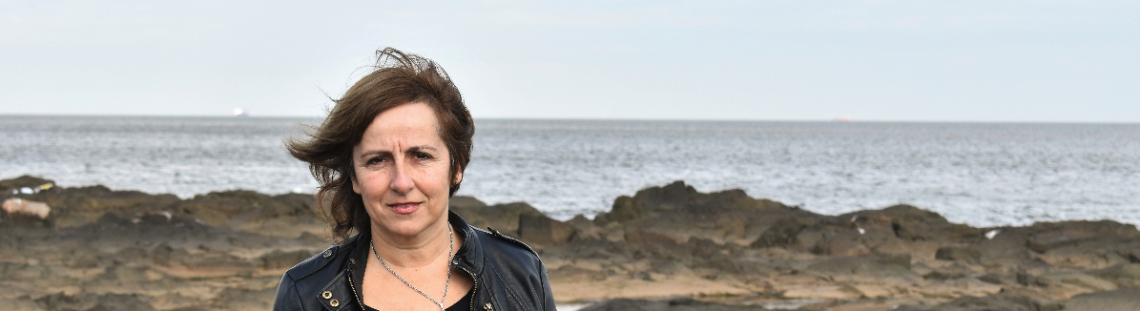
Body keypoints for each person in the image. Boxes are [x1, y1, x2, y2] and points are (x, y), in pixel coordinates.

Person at [274, 48, 556, 311]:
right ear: (354, 177)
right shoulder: (305, 294)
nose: (401, 182)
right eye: (377, 160)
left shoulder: (520, 271)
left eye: (420, 155)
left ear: (456, 166)